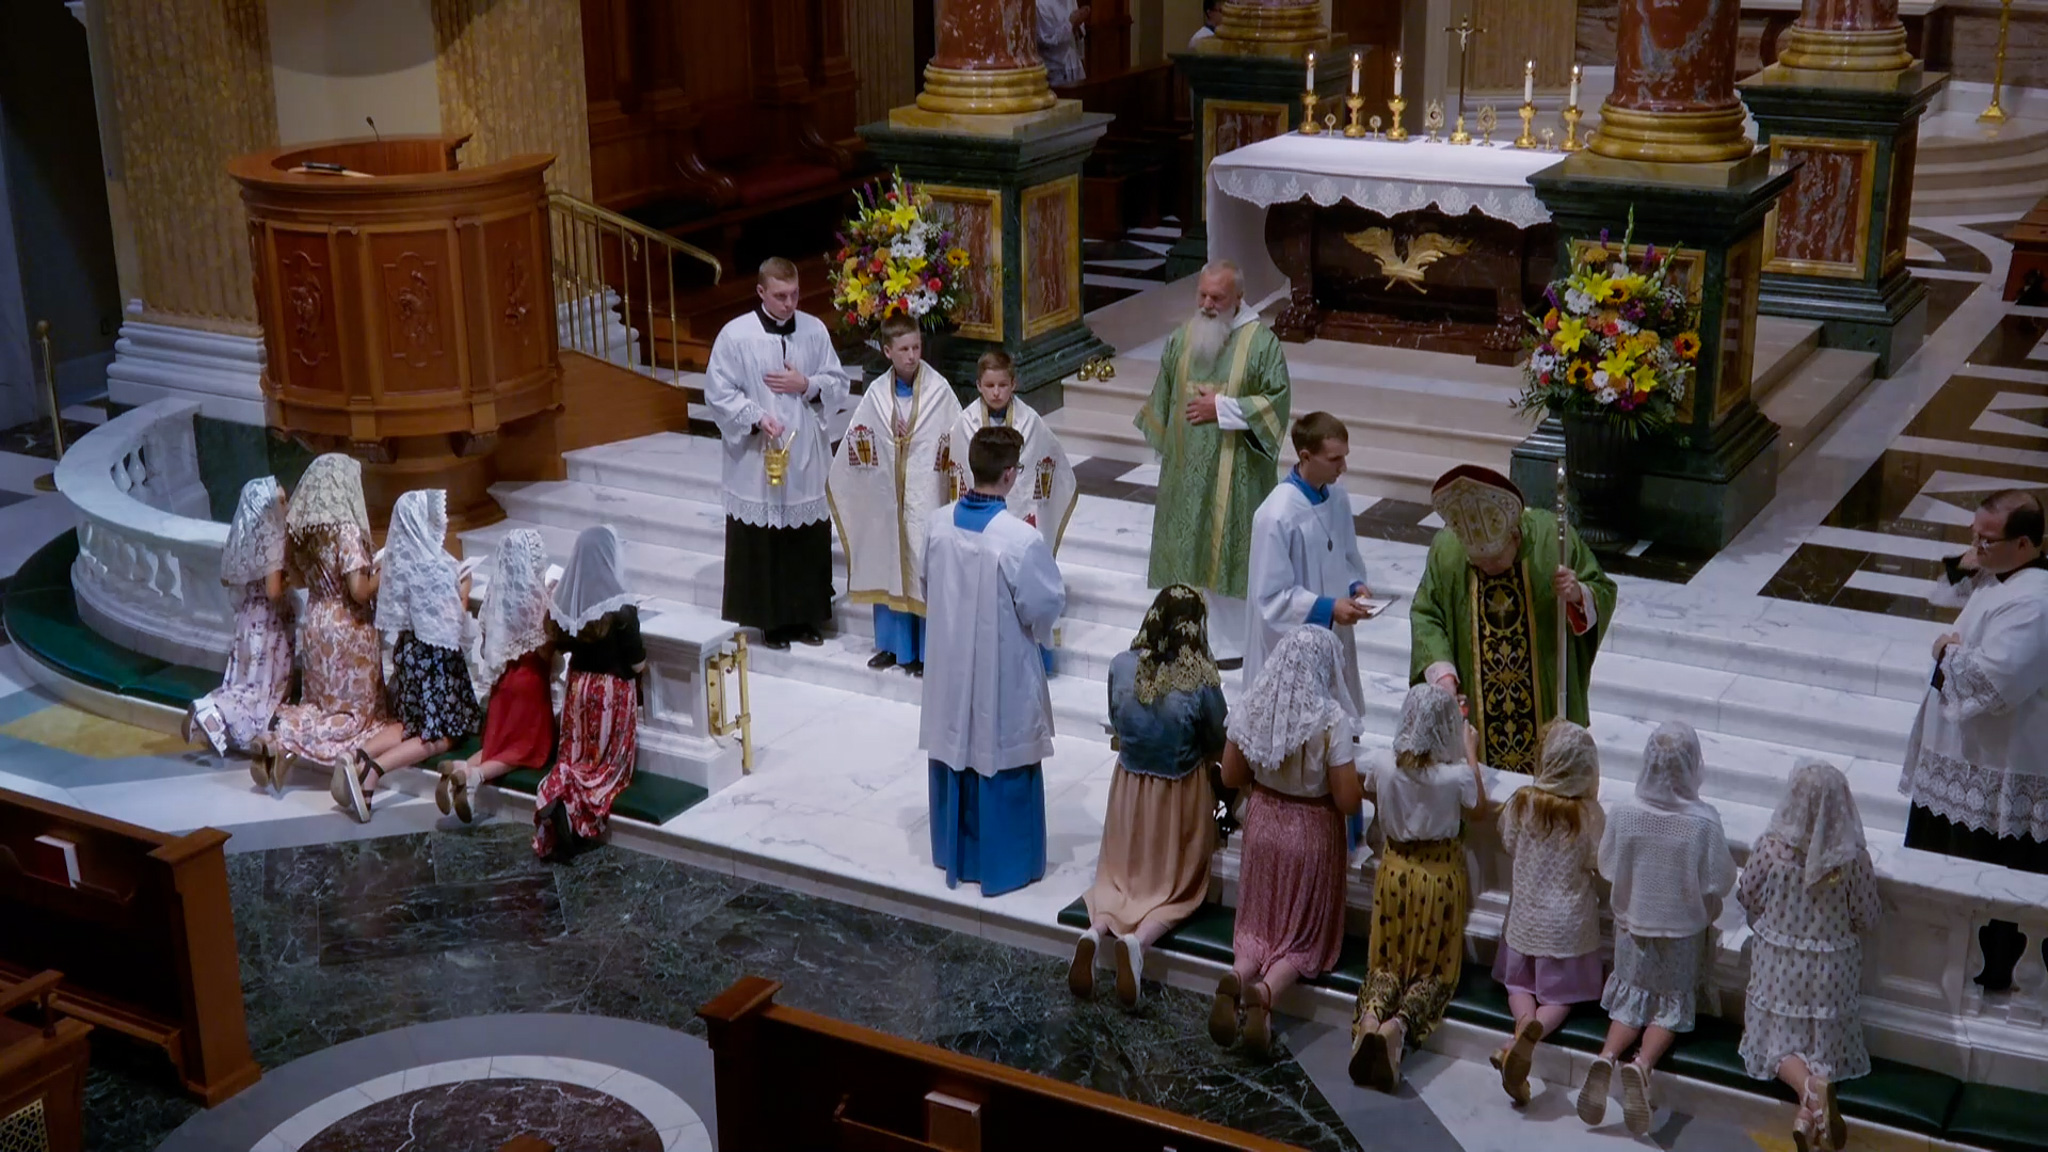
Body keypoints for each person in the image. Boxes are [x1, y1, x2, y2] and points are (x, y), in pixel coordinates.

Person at [1899, 489, 2048, 991]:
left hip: (1993, 768)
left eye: (1987, 540)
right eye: (1973, 536)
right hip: (1959, 761)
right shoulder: (1999, 576)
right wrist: (1973, 558)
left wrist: (1946, 650)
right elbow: (1940, 596)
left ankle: (1982, 974)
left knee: (1982, 877)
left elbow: (1993, 681)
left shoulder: (2037, 600)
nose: (1975, 548)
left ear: (2025, 543)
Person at [920, 426, 1068, 897]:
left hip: (948, 667)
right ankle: (1005, 863)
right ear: (1009, 476)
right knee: (998, 748)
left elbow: (927, 587)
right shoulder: (1019, 540)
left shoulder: (937, 524)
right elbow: (1044, 606)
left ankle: (954, 854)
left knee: (957, 746)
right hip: (998, 672)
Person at [1211, 626, 1362, 1058]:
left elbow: (1230, 776)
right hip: (1310, 832)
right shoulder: (1331, 719)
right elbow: (1348, 799)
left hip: (1263, 825)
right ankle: (1268, 992)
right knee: (1301, 937)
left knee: (1259, 925)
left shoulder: (1253, 705)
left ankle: (1239, 976)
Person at [1074, 584, 1227, 1009]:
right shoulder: (1200, 679)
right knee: (1175, 889)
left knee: (1120, 882)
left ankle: (1096, 931)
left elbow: (1117, 724)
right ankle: (1139, 943)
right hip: (1178, 800)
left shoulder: (1121, 666)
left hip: (1129, 792)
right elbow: (1218, 740)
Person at [1581, 721, 1736, 1137]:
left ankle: (1607, 1056)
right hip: (1681, 934)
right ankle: (1643, 1065)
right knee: (1669, 1005)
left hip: (1633, 928)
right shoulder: (1703, 822)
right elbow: (1722, 880)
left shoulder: (1626, 813)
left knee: (1632, 999)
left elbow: (1607, 864)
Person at [1412, 465, 1615, 775]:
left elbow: (1601, 589)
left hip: (1543, 704)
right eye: (1479, 563)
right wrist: (1443, 676)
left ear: (1515, 535)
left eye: (1495, 559)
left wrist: (1578, 595)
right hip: (1479, 718)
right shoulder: (1448, 550)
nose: (1489, 568)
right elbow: (1427, 613)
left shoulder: (1552, 540)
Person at [1136, 260, 1290, 665]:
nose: (1206, 304)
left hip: (1235, 477)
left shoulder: (1261, 344)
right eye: (1201, 295)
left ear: (1238, 297)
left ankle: (1227, 647)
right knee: (1187, 554)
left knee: (1226, 556)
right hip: (1185, 477)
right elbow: (1163, 399)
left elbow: (1276, 403)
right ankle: (1181, 632)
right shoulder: (1182, 338)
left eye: (1216, 298)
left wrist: (1221, 407)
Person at [703, 256, 850, 651]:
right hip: (757, 453)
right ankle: (771, 622)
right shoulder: (736, 336)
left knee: (805, 536)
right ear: (761, 292)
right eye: (781, 296)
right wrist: (755, 417)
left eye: (795, 294)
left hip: (804, 453)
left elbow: (838, 383)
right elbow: (718, 393)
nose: (790, 303)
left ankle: (806, 617)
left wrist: (807, 383)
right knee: (764, 538)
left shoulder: (815, 331)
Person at [1348, 683, 1489, 1091]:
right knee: (1432, 973)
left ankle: (1371, 1018)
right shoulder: (1455, 776)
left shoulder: (1384, 764)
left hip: (1393, 874)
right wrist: (1470, 749)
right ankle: (1399, 1025)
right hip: (1438, 880)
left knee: (1387, 965)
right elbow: (1478, 808)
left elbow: (1370, 788)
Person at [1739, 760, 1880, 1152]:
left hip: (1779, 968)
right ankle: (1810, 1107)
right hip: (1832, 974)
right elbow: (1868, 915)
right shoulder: (1850, 859)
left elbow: (1746, 894)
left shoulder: (1771, 848)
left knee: (1774, 1044)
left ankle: (1809, 1094)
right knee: (1822, 1048)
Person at [334, 488, 481, 824]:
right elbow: (453, 625)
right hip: (434, 662)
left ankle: (356, 755)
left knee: (410, 722)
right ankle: (372, 772)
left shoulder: (396, 562)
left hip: (410, 654)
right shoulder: (435, 566)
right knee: (442, 734)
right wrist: (464, 592)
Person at [831, 314, 962, 677]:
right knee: (889, 562)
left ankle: (925, 651)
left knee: (923, 567)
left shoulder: (939, 390)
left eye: (917, 347)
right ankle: (893, 647)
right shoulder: (876, 395)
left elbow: (955, 437)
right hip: (887, 501)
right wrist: (887, 437)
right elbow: (860, 441)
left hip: (926, 497)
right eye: (903, 349)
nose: (911, 356)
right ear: (887, 351)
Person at [1490, 721, 1606, 1106]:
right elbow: (1598, 861)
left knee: (1518, 986)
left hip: (1525, 919)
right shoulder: (1589, 815)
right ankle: (1526, 1038)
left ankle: (1519, 1030)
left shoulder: (1521, 802)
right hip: (1566, 928)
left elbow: (1507, 843)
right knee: (1561, 997)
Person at [949, 350, 1077, 674]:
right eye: (989, 385)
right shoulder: (964, 424)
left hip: (1021, 520)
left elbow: (1046, 464)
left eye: (1003, 385)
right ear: (978, 385)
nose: (996, 393)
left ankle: (1033, 658)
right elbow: (957, 471)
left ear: (1014, 384)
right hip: (980, 523)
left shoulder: (1029, 422)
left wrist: (1035, 512)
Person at [269, 454, 392, 785]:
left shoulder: (304, 532)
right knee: (355, 717)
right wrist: (386, 567)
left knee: (321, 705)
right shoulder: (346, 531)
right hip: (348, 627)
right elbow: (360, 590)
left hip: (318, 619)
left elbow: (295, 578)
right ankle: (289, 740)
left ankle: (283, 739)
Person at [1246, 411, 1370, 719]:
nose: (1343, 467)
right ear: (1305, 456)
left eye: (1345, 457)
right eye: (1334, 459)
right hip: (1291, 652)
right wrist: (1328, 609)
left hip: (1334, 638)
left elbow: (1345, 555)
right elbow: (1270, 599)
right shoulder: (1276, 514)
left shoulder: (1337, 497)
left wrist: (1356, 586)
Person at [534, 525, 644, 860]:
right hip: (610, 693)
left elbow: (553, 643)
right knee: (605, 770)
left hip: (579, 687)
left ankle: (561, 797)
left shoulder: (569, 603)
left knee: (576, 758)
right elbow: (637, 664)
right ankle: (575, 812)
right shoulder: (622, 608)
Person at [442, 528, 557, 824]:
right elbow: (545, 653)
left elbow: (486, 642)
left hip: (502, 685)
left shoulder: (496, 599)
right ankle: (474, 776)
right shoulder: (539, 603)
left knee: (499, 744)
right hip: (529, 687)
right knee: (526, 750)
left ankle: (459, 769)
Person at [187, 477, 293, 785]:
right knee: (262, 691)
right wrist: (292, 583)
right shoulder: (272, 536)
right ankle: (215, 710)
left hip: (247, 619)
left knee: (242, 683)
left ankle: (214, 709)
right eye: (282, 501)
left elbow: (227, 579)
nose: (285, 507)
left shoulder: (245, 535)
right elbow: (274, 591)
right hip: (269, 623)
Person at [1037, 0, 1089, 87]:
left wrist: (1078, 23)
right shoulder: (1040, 4)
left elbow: (1077, 32)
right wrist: (1070, 24)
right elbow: (1046, 41)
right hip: (1056, 71)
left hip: (1075, 66)